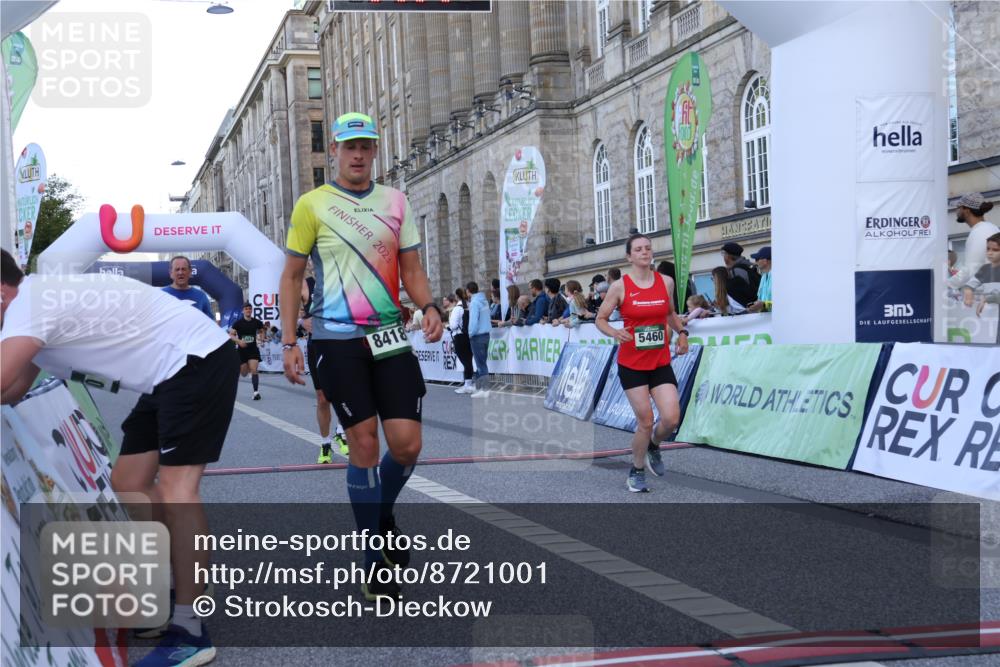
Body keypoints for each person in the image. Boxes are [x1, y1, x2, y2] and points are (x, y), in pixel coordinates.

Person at [0, 249, 238, 666]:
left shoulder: (29, 306)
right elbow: (13, 389)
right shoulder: (32, 303)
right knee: (128, 482)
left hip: (194, 360)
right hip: (168, 371)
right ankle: (179, 584)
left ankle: (191, 630)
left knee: (177, 488)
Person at [279, 112, 443, 601]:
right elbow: (290, 278)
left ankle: (382, 512)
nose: (357, 154)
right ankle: (374, 557)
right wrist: (290, 341)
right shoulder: (312, 205)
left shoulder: (396, 201)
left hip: (390, 336)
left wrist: (429, 304)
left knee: (408, 445)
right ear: (334, 150)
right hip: (335, 339)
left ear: (375, 150)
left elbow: (411, 269)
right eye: (349, 146)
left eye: (366, 146)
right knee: (365, 443)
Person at [595, 235, 689, 493]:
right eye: (638, 249)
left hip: (659, 361)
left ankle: (654, 446)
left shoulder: (665, 282)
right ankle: (636, 470)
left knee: (670, 419)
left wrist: (682, 333)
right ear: (629, 256)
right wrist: (614, 333)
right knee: (645, 422)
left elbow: (669, 313)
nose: (645, 252)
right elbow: (600, 318)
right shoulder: (620, 287)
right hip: (632, 364)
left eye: (648, 248)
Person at [302, 274, 349, 463]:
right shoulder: (307, 283)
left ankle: (341, 432)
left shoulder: (343, 275)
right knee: (322, 398)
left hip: (342, 341)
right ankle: (325, 443)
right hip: (318, 344)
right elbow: (288, 306)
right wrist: (300, 321)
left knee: (344, 393)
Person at [948, 193, 999, 305]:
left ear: (967, 210)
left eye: (959, 207)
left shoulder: (979, 232)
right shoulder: (991, 228)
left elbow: (971, 269)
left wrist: (947, 284)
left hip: (984, 297)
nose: (957, 211)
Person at [968, 232, 1000, 344]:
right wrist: (968, 292)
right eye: (988, 249)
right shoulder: (985, 269)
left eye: (995, 250)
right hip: (990, 319)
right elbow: (971, 284)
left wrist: (986, 299)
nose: (990, 253)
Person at [161, 256, 214, 320]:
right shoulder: (162, 296)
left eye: (183, 269)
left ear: (190, 272)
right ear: (171, 273)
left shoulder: (201, 296)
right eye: (177, 269)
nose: (180, 272)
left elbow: (210, 323)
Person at [230, 303, 264, 400]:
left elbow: (262, 330)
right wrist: (239, 341)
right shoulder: (238, 323)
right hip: (242, 351)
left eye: (250, 309)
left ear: (251, 310)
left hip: (253, 349)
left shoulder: (256, 322)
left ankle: (256, 392)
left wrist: (261, 338)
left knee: (254, 370)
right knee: (244, 373)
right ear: (243, 311)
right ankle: (248, 370)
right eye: (246, 309)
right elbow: (231, 335)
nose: (248, 310)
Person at [466, 281, 491, 396]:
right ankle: (480, 387)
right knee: (482, 362)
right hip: (486, 334)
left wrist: (470, 333)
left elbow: (473, 321)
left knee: (480, 364)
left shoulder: (474, 302)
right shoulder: (484, 301)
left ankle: (485, 390)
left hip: (477, 335)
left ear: (468, 291)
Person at [449, 287, 475, 394]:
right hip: (468, 336)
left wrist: (448, 325)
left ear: (457, 296)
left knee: (465, 361)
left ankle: (467, 384)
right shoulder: (469, 307)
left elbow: (453, 325)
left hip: (459, 337)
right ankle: (468, 383)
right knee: (468, 360)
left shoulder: (457, 309)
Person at [720, 242, 758, 306]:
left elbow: (742, 293)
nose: (723, 257)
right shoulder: (748, 265)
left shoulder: (737, 270)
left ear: (728, 255)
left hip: (749, 308)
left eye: (724, 254)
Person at [747, 246, 772, 313]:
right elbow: (761, 300)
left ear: (765, 261)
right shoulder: (764, 276)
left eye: (757, 259)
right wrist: (755, 306)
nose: (755, 263)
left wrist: (764, 305)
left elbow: (784, 303)